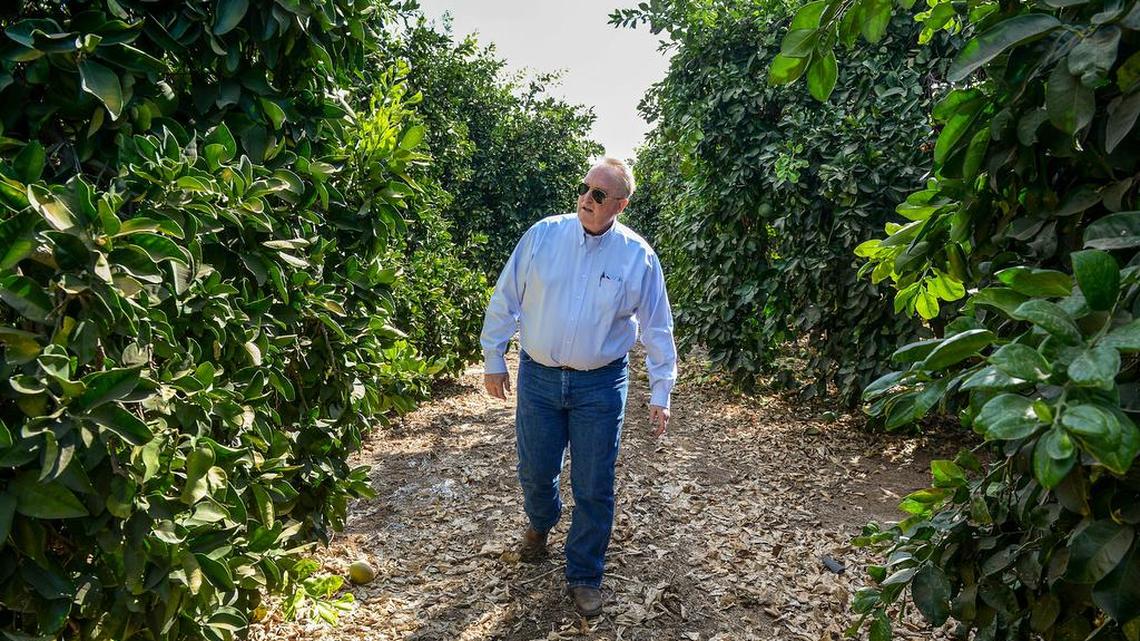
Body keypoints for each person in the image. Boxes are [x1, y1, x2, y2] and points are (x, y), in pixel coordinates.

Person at [480, 157, 678, 618]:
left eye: (599, 195)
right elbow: (506, 296)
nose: (586, 200)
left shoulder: (637, 256)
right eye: (584, 188)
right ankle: (541, 523)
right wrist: (494, 356)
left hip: (601, 385)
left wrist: (661, 392)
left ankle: (585, 573)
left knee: (594, 484)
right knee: (534, 471)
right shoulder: (543, 236)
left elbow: (657, 326)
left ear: (620, 205)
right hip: (539, 377)